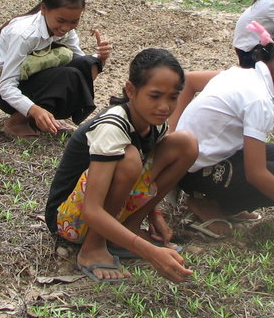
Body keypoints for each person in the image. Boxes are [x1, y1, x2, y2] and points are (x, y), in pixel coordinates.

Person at [46, 48, 198, 283]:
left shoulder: (155, 123)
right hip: (71, 220)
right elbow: (92, 210)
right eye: (155, 96)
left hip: (111, 209)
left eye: (173, 97)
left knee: (185, 143)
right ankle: (93, 247)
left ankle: (128, 228)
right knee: (128, 159)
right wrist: (148, 252)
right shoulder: (113, 126)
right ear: (131, 90)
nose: (165, 107)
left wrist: (154, 214)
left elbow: (147, 167)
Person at [172, 30, 274, 240]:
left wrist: (173, 136)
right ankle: (209, 204)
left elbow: (189, 80)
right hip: (194, 172)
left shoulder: (244, 74)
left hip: (214, 156)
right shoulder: (259, 100)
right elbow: (256, 174)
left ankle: (227, 202)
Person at [0, 0, 112, 137]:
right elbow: (5, 87)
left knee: (87, 64)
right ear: (44, 9)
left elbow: (82, 65)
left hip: (34, 80)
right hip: (5, 91)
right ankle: (16, 122)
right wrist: (34, 109)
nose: (66, 28)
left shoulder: (64, 30)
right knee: (69, 76)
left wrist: (100, 58)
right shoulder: (24, 35)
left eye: (74, 21)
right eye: (61, 20)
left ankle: (47, 115)